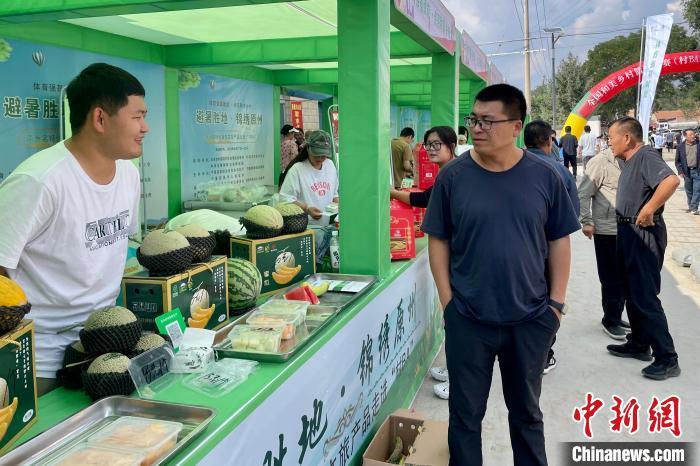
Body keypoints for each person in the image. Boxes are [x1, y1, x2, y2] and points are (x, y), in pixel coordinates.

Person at [423, 84, 579, 466]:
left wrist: (555, 306)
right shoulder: (453, 177)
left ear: (515, 126)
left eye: (487, 121)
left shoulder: (547, 175)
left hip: (529, 319)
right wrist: (449, 304)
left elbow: (559, 241)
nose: (476, 128)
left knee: (526, 415)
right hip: (469, 319)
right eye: (473, 119)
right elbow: (438, 240)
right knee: (464, 417)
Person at [0, 63, 146, 395]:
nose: (145, 127)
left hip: (104, 347)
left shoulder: (129, 176)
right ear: (100, 118)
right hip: (41, 362)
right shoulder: (39, 180)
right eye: (137, 116)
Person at [606, 117, 681, 380]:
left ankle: (667, 357)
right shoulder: (628, 161)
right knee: (630, 291)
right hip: (627, 232)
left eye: (611, 137)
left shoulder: (646, 155)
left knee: (645, 295)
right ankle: (639, 343)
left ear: (627, 137)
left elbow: (671, 181)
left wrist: (649, 208)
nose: (609, 141)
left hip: (643, 233)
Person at [390, 126, 457, 401]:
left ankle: (460, 379)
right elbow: (425, 198)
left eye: (437, 144)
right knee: (452, 316)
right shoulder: (446, 172)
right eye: (428, 145)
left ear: (451, 146)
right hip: (454, 252)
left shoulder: (454, 173)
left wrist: (392, 193)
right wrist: (395, 193)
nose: (430, 149)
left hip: (459, 253)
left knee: (458, 317)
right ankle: (454, 369)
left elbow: (423, 199)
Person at [524, 120, 580, 375]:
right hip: (549, 250)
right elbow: (571, 218)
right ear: (549, 142)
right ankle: (543, 354)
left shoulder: (512, 167)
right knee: (547, 300)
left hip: (521, 253)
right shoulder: (560, 172)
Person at [577, 143, 631, 340]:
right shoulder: (600, 162)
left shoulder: (628, 160)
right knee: (610, 278)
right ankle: (610, 320)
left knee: (623, 276)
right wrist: (587, 221)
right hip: (606, 229)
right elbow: (583, 193)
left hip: (627, 228)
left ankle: (616, 315)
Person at [279, 130, 339, 262]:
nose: (320, 158)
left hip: (327, 229)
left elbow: (334, 194)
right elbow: (284, 199)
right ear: (308, 148)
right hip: (305, 230)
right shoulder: (297, 170)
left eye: (324, 155)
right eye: (317, 155)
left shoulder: (330, 166)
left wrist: (338, 206)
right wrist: (307, 209)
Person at [674, 129, 700, 214]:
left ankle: (694, 207)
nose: (693, 136)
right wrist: (680, 171)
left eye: (693, 134)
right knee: (689, 191)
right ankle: (691, 207)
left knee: (697, 190)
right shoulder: (680, 146)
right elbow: (677, 161)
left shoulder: (698, 144)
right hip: (686, 172)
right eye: (690, 135)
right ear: (685, 136)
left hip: (697, 172)